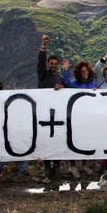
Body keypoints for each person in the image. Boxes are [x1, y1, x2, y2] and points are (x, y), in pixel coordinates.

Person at [37, 35, 64, 180]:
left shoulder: (60, 79)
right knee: (47, 143)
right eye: (51, 63)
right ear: (48, 64)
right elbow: (40, 62)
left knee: (57, 141)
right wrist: (43, 46)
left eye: (55, 63)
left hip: (57, 115)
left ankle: (57, 166)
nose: (53, 65)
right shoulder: (43, 75)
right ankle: (47, 167)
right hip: (44, 114)